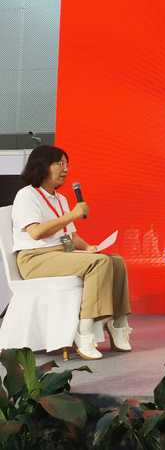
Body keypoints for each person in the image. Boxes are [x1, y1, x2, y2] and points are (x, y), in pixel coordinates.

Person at [11, 145, 132, 360]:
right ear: (42, 165)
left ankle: (118, 322)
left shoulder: (61, 199)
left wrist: (88, 248)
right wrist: (73, 215)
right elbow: (36, 232)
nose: (65, 169)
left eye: (67, 164)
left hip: (61, 254)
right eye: (60, 163)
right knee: (100, 263)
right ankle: (84, 329)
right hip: (35, 258)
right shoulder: (27, 195)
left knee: (116, 261)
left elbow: (71, 237)